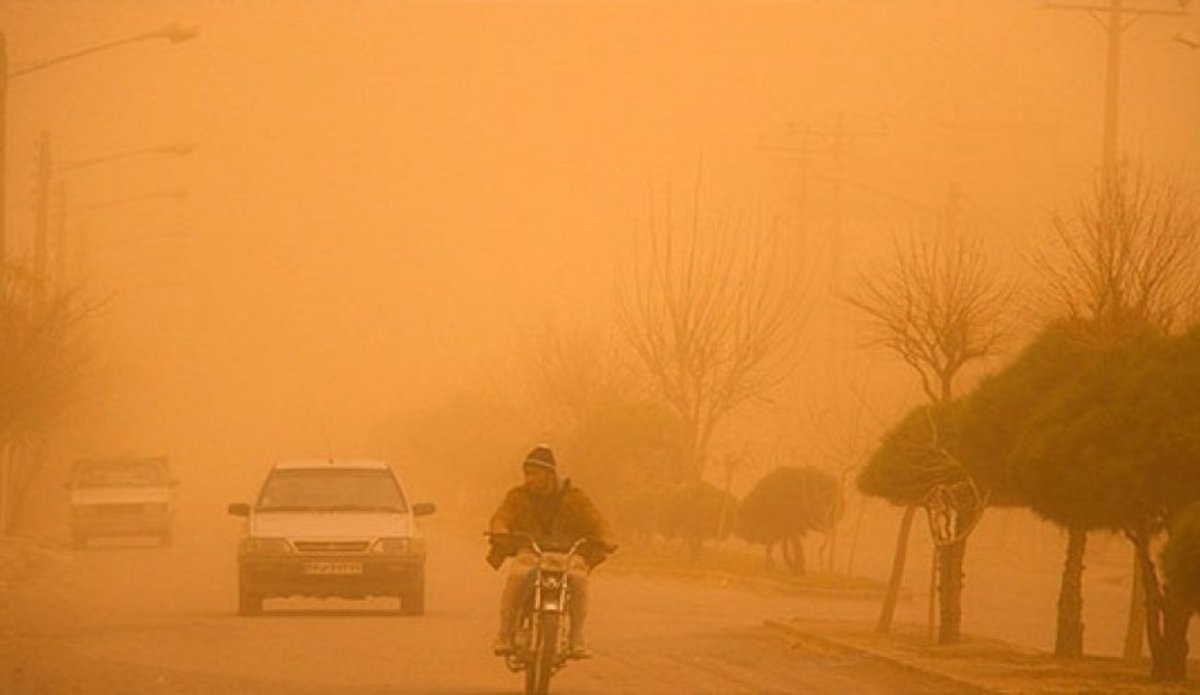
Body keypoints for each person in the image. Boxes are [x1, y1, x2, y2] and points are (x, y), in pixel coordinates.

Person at [487, 444, 614, 659]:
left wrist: (606, 538)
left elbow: (597, 521)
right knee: (517, 576)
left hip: (568, 554)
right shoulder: (518, 496)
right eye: (527, 474)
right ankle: (504, 635)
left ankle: (576, 638)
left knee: (579, 579)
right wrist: (499, 530)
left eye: (535, 474)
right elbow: (502, 517)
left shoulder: (575, 497)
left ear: (550, 474)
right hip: (530, 551)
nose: (529, 479)